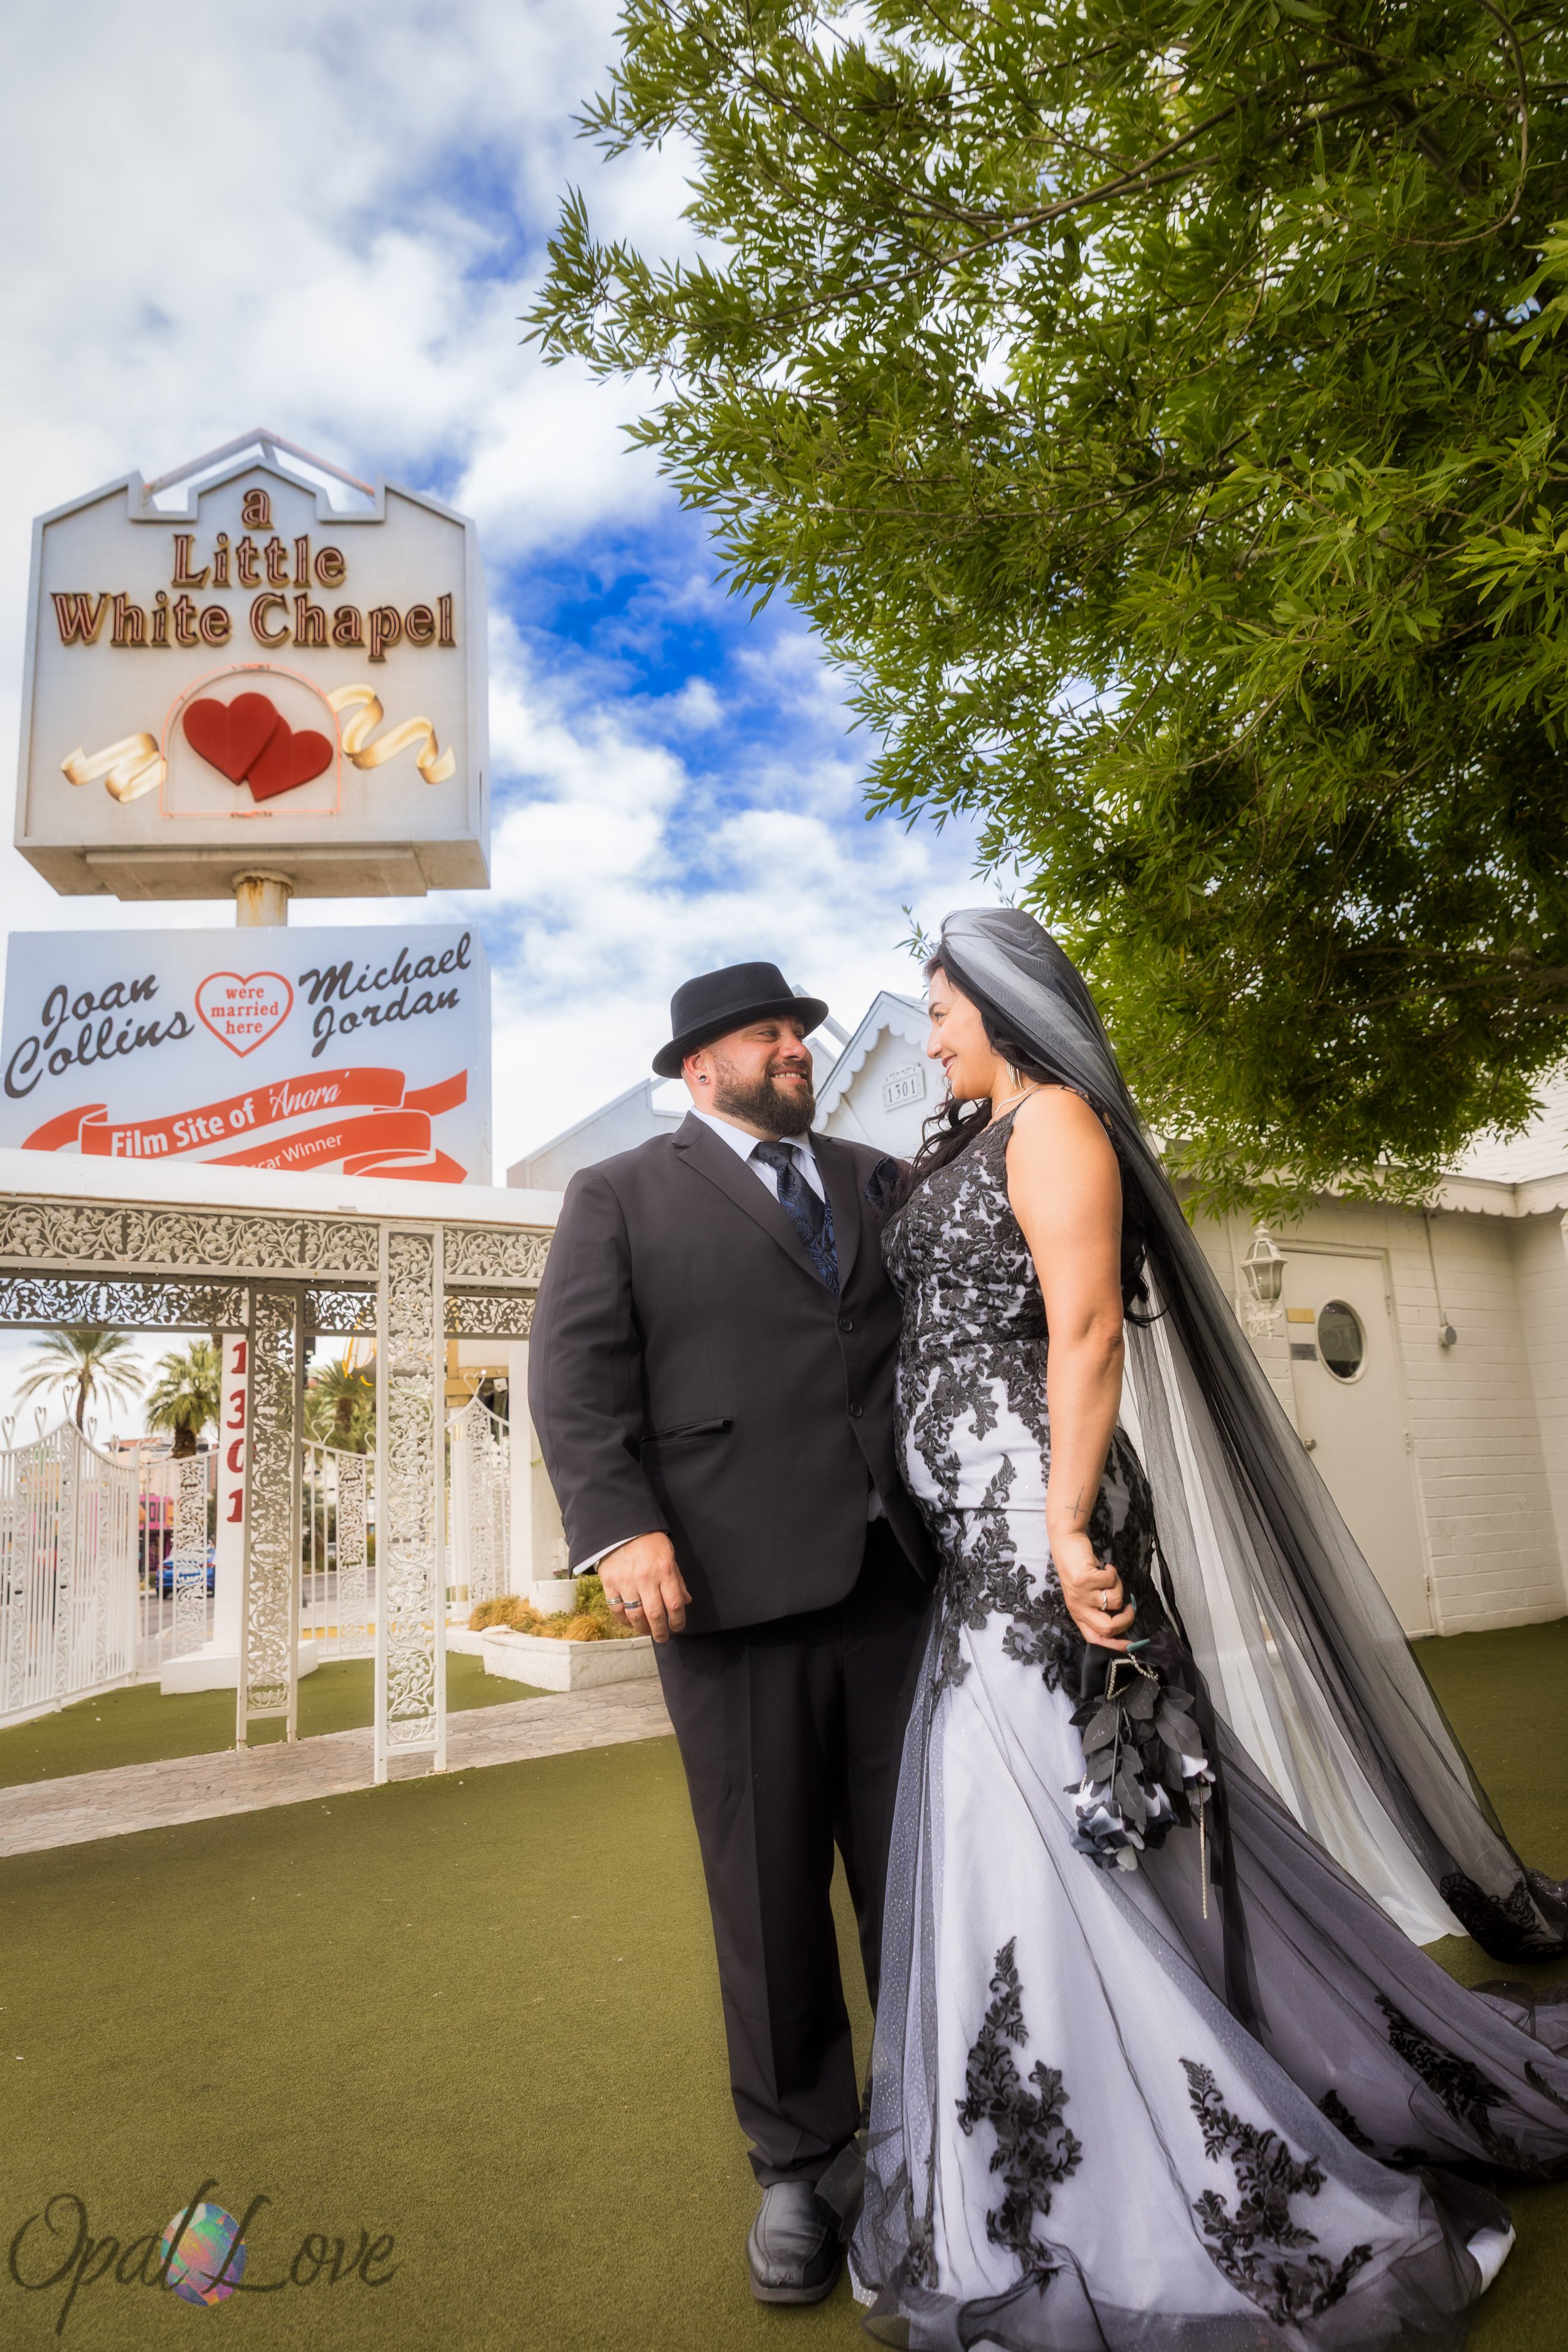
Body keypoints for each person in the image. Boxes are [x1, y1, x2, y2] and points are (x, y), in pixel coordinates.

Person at [849, 907, 1568, 2348]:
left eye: (938, 1010)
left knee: (1064, 1804)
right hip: (980, 1541)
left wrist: (1058, 1528)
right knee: (1043, 1811)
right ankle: (1038, 2141)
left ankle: (1137, 2147)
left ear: (999, 1004)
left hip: (1033, 1527)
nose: (926, 1036)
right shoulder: (965, 1138)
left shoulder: (1052, 1124)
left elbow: (1085, 1327)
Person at [527, 960, 935, 2306]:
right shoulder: (620, 1196)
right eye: (769, 1035)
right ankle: (797, 2165)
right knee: (765, 1895)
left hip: (897, 1579)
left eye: (801, 1033)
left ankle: (933, 2127)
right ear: (699, 1066)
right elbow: (574, 1381)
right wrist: (620, 1529)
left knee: (916, 1875)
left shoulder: (880, 1178)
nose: (795, 1050)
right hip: (720, 1591)